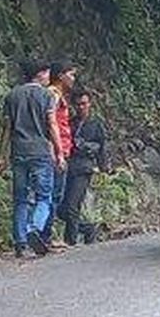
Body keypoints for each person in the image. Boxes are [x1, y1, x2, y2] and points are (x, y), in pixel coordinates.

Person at [2, 59, 60, 256]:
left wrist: (0, 155)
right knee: (44, 196)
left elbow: (7, 128)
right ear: (41, 74)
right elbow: (52, 124)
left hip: (18, 152)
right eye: (47, 73)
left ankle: (20, 243)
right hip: (40, 151)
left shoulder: (12, 95)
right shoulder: (46, 95)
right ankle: (33, 228)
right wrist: (59, 152)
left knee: (20, 199)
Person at [58, 89, 107, 245]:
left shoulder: (96, 124)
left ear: (89, 104)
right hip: (68, 167)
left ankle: (70, 241)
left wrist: (103, 168)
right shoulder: (71, 123)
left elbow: (101, 147)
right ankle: (87, 228)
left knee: (73, 206)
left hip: (84, 168)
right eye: (78, 104)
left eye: (84, 104)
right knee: (61, 208)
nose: (81, 107)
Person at [43, 61, 76, 247]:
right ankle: (45, 235)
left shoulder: (57, 94)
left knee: (54, 194)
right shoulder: (53, 95)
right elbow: (51, 123)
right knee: (53, 194)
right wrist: (57, 152)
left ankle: (45, 234)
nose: (73, 79)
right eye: (71, 75)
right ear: (61, 76)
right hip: (56, 150)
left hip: (60, 149)